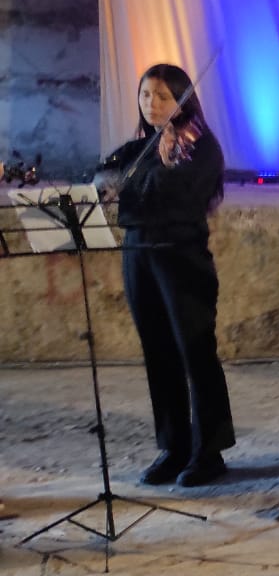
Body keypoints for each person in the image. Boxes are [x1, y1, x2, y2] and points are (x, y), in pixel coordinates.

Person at [97, 63, 235, 487]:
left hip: (181, 259)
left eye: (161, 97)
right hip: (139, 255)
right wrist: (121, 179)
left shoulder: (202, 147)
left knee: (196, 353)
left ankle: (208, 451)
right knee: (158, 354)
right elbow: (104, 174)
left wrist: (156, 172)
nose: (152, 105)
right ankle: (173, 447)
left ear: (182, 100)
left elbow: (179, 197)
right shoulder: (140, 146)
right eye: (144, 96)